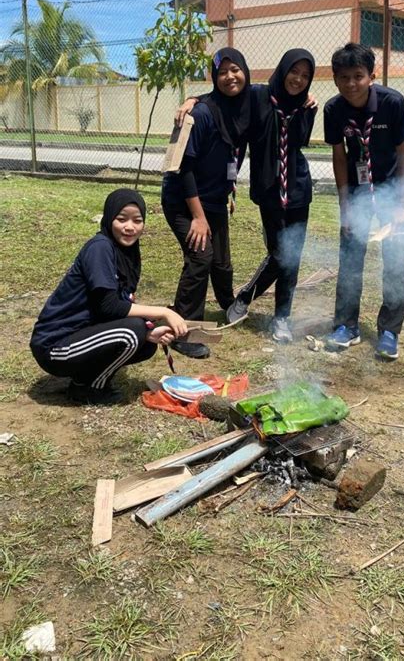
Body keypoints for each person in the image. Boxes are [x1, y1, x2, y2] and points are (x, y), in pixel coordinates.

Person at [30, 189, 187, 405]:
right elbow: (109, 307)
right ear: (109, 217)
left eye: (137, 220)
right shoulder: (100, 248)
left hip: (80, 335)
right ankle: (89, 389)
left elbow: (122, 303)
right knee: (134, 332)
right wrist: (164, 312)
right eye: (121, 219)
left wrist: (151, 330)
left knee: (147, 341)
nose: (130, 227)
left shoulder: (126, 252)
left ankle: (83, 378)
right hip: (54, 346)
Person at [323, 42, 404, 360]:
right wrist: (346, 207)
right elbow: (338, 158)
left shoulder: (393, 103)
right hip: (359, 194)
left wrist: (400, 205)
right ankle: (346, 326)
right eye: (344, 77)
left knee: (394, 262)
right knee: (349, 262)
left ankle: (389, 331)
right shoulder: (333, 110)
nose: (351, 84)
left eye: (358, 76)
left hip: (392, 192)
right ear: (335, 79)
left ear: (371, 76)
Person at [161, 47, 251, 357]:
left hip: (213, 199)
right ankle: (184, 331)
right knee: (201, 255)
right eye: (222, 71)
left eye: (235, 69)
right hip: (182, 199)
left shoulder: (240, 107)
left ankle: (227, 304)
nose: (229, 76)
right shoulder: (200, 114)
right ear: (214, 77)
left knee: (221, 259)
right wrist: (198, 218)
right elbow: (184, 168)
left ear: (245, 72)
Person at [226, 49, 316, 343]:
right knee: (280, 254)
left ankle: (282, 318)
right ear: (283, 69)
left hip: (299, 189)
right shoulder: (257, 96)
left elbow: (300, 142)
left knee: (293, 256)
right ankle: (244, 297)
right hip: (269, 189)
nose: (299, 80)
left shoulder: (307, 107)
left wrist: (306, 110)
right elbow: (224, 105)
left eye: (305, 75)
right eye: (295, 72)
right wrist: (192, 100)